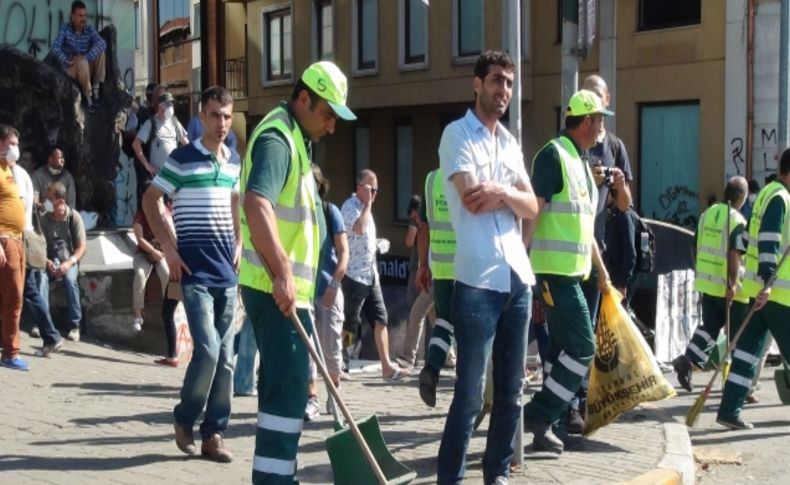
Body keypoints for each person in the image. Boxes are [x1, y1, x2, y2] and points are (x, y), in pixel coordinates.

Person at [239, 61, 355, 484]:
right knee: (288, 395)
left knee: (281, 395)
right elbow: (257, 205)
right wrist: (283, 273)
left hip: (285, 292)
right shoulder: (278, 138)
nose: (332, 126)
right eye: (328, 113)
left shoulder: (297, 139)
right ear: (304, 98)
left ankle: (275, 477)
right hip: (275, 290)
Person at [436, 50, 538, 485]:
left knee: (512, 391)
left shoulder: (510, 144)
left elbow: (532, 205)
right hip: (477, 278)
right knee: (470, 394)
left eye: (510, 84)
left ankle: (496, 475)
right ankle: (451, 479)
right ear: (477, 84)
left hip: (518, 277)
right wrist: (506, 194)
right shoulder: (456, 135)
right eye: (497, 80)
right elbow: (470, 198)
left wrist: (504, 192)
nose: (504, 91)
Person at [143, 86, 240, 462]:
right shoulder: (182, 159)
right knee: (210, 351)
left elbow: (238, 202)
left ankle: (213, 434)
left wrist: (240, 242)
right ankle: (184, 417)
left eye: (227, 116)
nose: (222, 123)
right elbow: (151, 200)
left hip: (226, 275)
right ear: (201, 116)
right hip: (195, 272)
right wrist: (169, 248)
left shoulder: (234, 160)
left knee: (227, 358)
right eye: (215, 115)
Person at [522, 89, 613, 454]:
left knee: (562, 350)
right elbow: (534, 211)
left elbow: (584, 227)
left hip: (572, 274)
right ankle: (540, 414)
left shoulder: (580, 162)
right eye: (600, 120)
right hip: (552, 275)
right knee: (583, 348)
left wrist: (601, 271)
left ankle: (549, 422)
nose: (603, 127)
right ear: (588, 121)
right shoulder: (553, 156)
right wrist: (519, 264)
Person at [716, 152, 790, 430]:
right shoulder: (781, 199)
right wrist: (769, 282)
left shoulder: (766, 195)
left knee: (747, 352)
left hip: (761, 291)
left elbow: (746, 239)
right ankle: (729, 410)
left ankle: (729, 411)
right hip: (778, 295)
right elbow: (769, 242)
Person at [671, 177, 749, 392]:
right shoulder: (738, 221)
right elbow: (735, 253)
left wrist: (700, 270)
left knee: (710, 328)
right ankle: (736, 383)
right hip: (727, 287)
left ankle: (687, 360)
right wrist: (733, 283)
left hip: (707, 283)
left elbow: (694, 245)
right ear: (741, 198)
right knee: (738, 337)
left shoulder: (707, 214)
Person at [341, 169, 408, 381]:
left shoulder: (367, 210)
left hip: (371, 275)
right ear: (359, 187)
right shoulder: (350, 207)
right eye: (371, 189)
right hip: (353, 275)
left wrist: (378, 244)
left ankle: (387, 366)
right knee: (349, 324)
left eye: (377, 189)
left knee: (381, 319)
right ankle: (342, 363)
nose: (374, 194)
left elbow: (364, 239)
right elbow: (358, 229)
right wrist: (368, 205)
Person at [9, 142, 64, 357]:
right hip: (18, 237)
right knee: (25, 290)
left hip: (19, 238)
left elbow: (19, 208)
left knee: (29, 290)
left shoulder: (17, 175)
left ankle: (51, 336)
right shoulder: (17, 173)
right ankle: (50, 336)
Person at [305, 163, 349, 421]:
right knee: (308, 351)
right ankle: (312, 398)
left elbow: (344, 254)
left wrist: (334, 284)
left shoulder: (330, 212)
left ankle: (334, 393)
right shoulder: (298, 213)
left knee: (331, 351)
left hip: (329, 290)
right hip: (304, 292)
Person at [416, 168, 458, 407]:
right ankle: (467, 389)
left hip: (441, 267)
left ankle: (431, 368)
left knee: (444, 321)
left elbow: (424, 226)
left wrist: (424, 265)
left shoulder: (432, 179)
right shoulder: (470, 174)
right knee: (467, 329)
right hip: (467, 266)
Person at [131, 203, 182, 367]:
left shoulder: (166, 214)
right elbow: (139, 239)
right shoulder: (142, 214)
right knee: (140, 274)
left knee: (166, 274)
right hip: (145, 254)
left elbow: (173, 239)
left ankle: (170, 304)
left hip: (164, 255)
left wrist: (163, 252)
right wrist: (153, 251)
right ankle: (138, 314)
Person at [40, 181, 86, 343]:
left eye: (49, 198)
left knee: (70, 280)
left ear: (60, 201)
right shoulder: (44, 220)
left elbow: (81, 247)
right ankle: (43, 322)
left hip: (69, 261)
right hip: (50, 260)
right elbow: (39, 247)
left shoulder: (74, 217)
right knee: (41, 278)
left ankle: (75, 325)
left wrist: (69, 263)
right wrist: (47, 262)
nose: (46, 201)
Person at [0, 124, 30, 371]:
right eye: (11, 144)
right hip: (4, 240)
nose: (15, 149)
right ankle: (11, 353)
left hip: (18, 240)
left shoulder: (9, 170)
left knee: (9, 298)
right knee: (15, 297)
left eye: (16, 144)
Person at [397, 194, 436, 369]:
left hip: (425, 271)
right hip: (435, 271)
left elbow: (409, 241)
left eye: (413, 215)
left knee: (416, 312)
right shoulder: (435, 220)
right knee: (434, 316)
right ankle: (450, 357)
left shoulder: (421, 221)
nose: (412, 218)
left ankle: (408, 357)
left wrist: (416, 226)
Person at [50, 1, 107, 111]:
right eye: (80, 15)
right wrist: (66, 60)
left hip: (86, 66)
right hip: (71, 67)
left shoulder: (89, 29)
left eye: (85, 15)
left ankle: (96, 88)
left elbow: (102, 43)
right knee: (82, 63)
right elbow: (55, 47)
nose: (84, 19)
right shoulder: (65, 29)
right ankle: (88, 98)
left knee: (100, 53)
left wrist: (85, 56)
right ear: (72, 16)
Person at [132, 91, 189, 180]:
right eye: (167, 104)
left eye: (171, 104)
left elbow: (186, 143)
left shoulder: (175, 123)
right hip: (158, 177)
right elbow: (136, 144)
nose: (170, 107)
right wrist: (147, 165)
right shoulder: (151, 123)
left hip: (174, 175)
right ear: (159, 107)